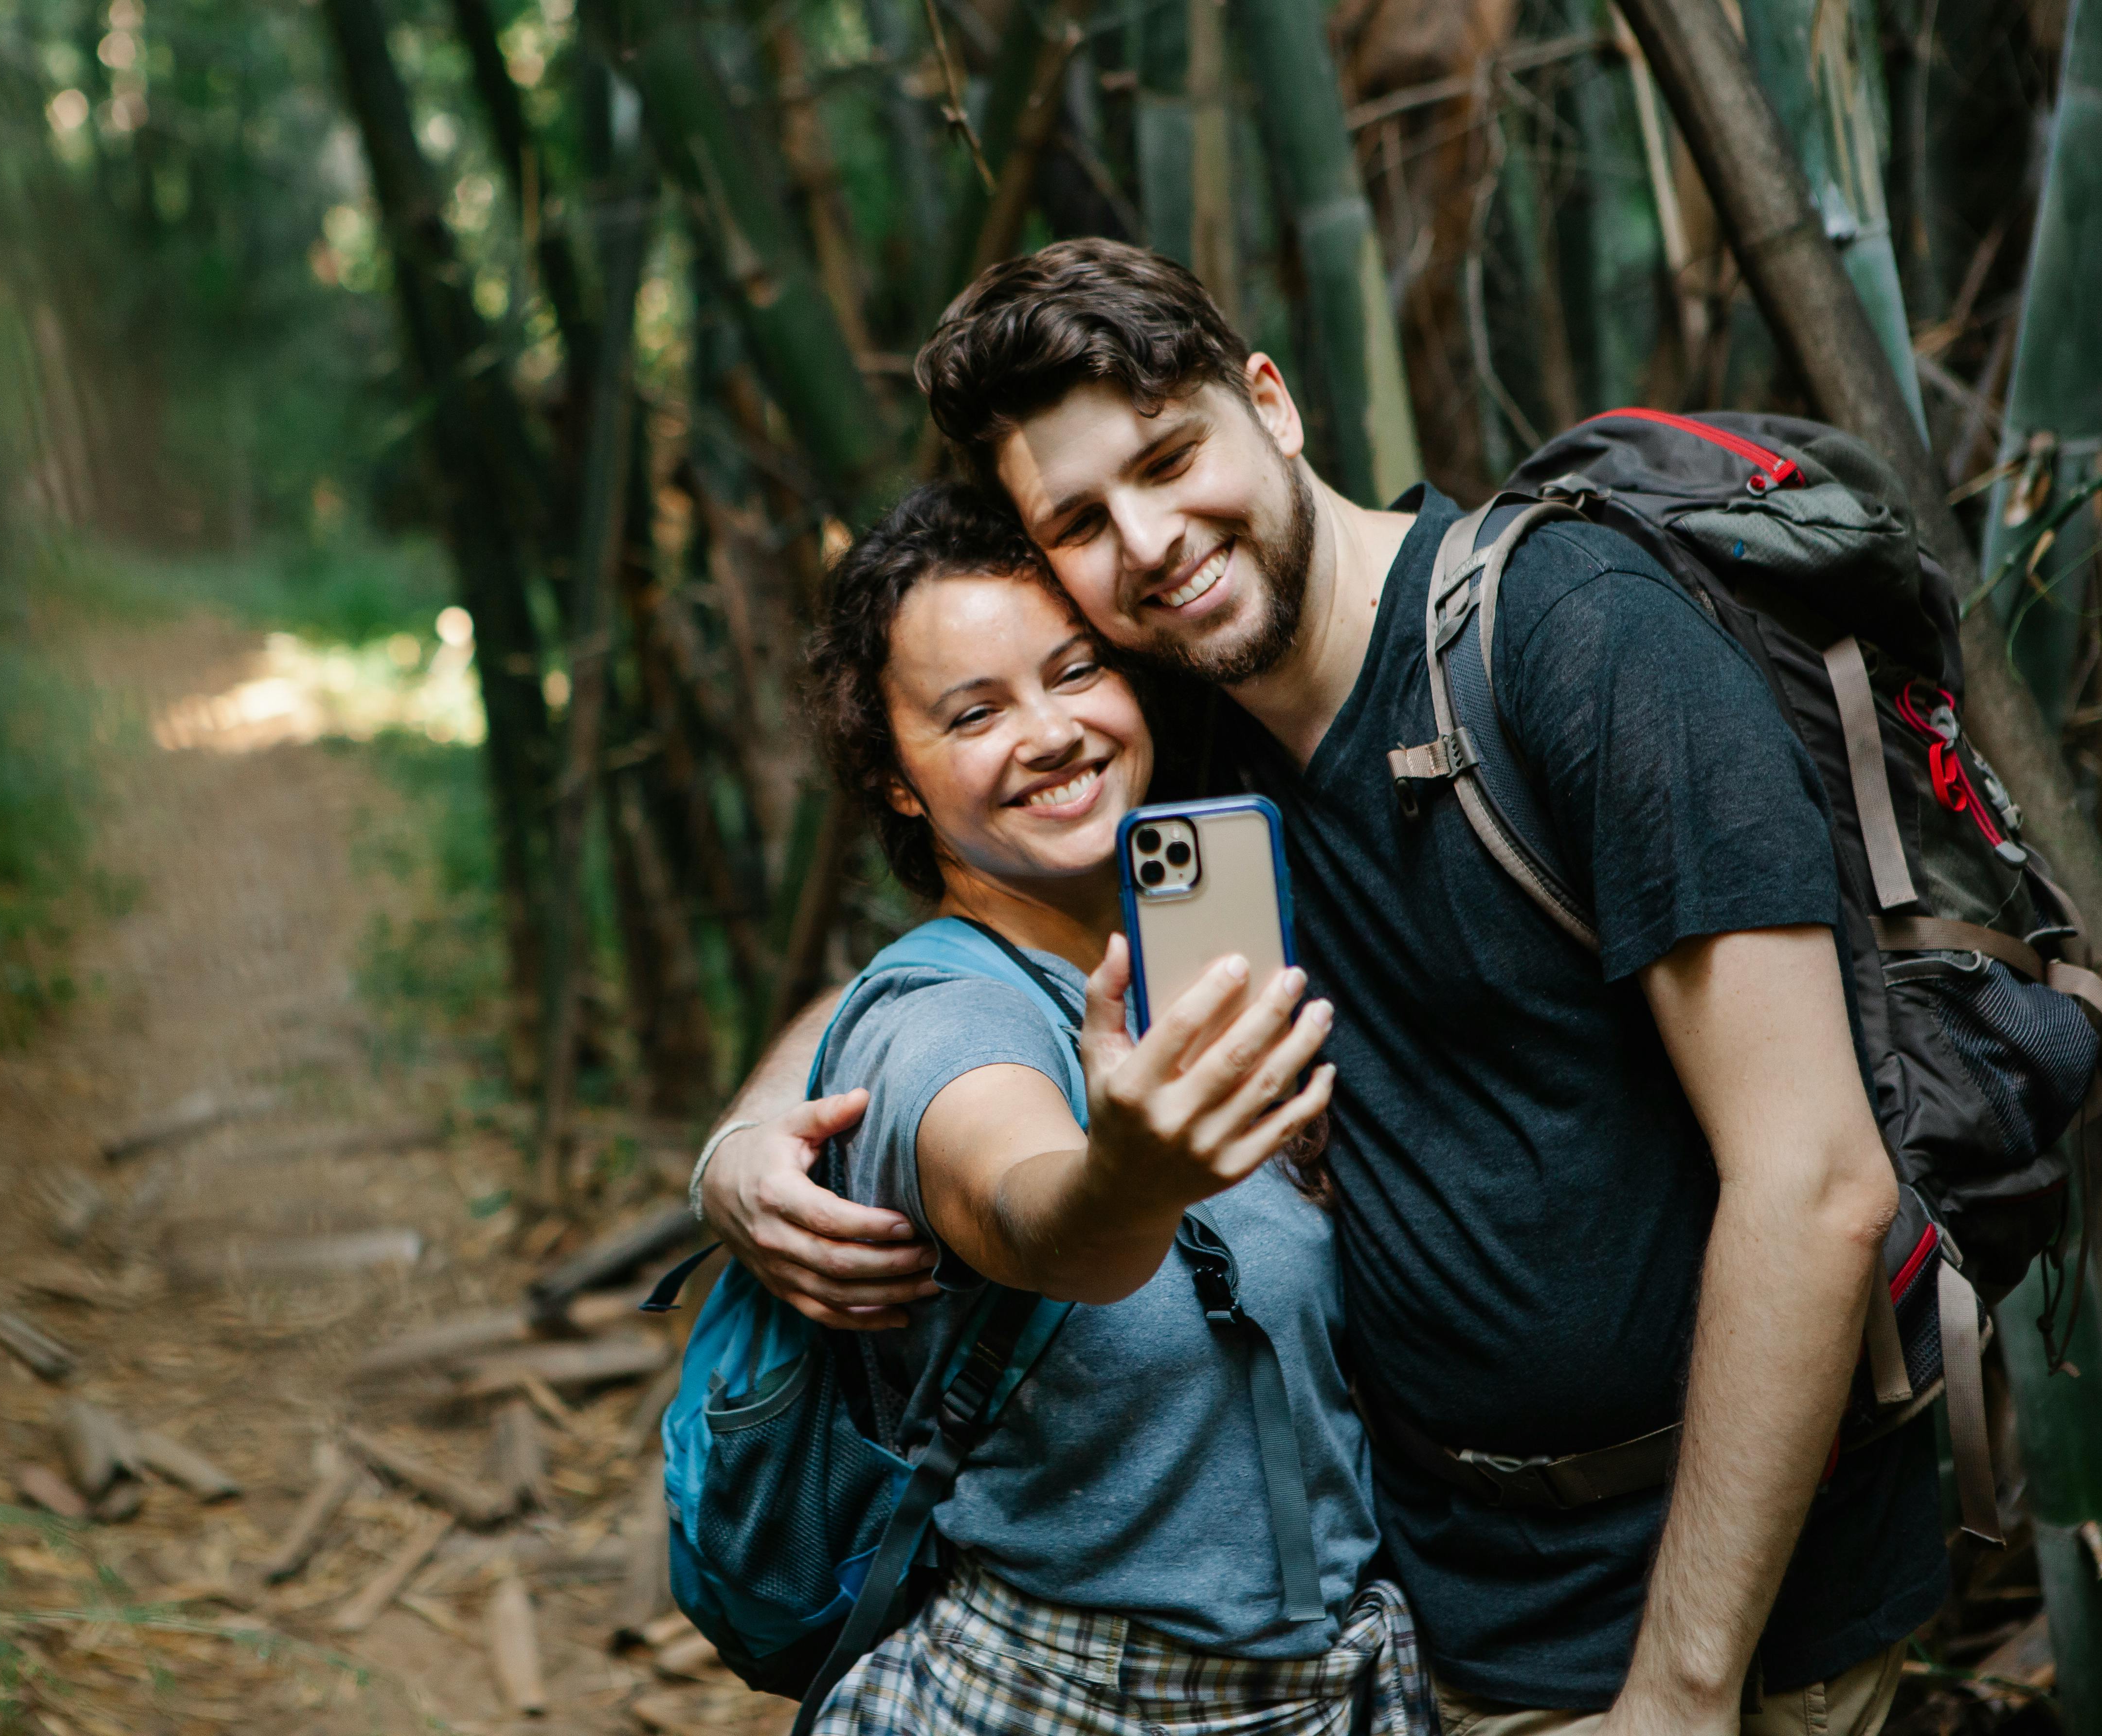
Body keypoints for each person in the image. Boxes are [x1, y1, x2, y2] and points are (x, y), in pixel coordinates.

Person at [688, 240, 1928, 1736]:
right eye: (1080, 518)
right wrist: (745, 1145)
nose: (1147, 542)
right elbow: (943, 976)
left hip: (1720, 1617)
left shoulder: (1571, 641)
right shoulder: (1193, 746)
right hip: (1437, 1624)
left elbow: (1815, 1180)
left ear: (1267, 402)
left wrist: (1682, 1689)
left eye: (1168, 457)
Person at [779, 477, 1421, 1736]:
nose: (1050, 732)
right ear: (897, 779)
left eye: (1076, 672)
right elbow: (1033, 1210)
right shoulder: (938, 1021)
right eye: (973, 712)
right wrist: (1122, 1177)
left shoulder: (1215, 952)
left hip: (1337, 1687)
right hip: (1065, 1697)